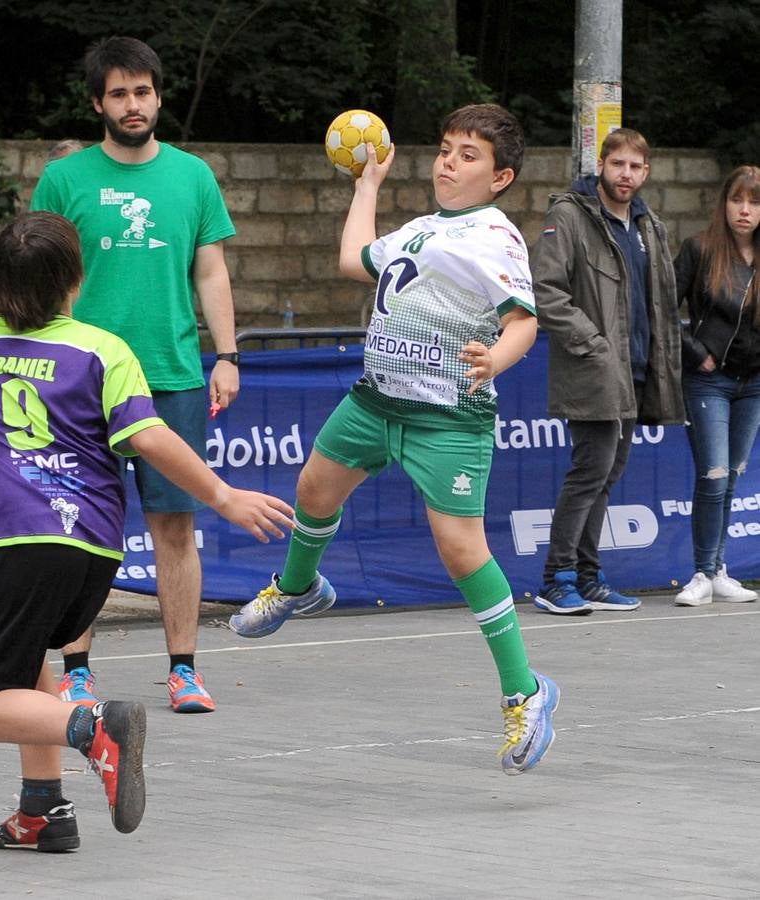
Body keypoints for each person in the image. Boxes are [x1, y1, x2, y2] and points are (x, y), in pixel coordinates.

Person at [229, 104, 561, 775]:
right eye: (444, 148)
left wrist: (497, 358)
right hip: (378, 399)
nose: (448, 161)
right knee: (313, 489)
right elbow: (355, 260)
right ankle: (298, 587)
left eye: (468, 154)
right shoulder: (420, 229)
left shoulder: (494, 237)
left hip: (448, 415)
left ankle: (526, 691)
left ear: (500, 178)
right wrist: (367, 187)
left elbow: (523, 320)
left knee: (461, 551)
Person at [0, 211, 293, 851]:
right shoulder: (104, 351)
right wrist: (222, 496)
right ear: (76, 281)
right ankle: (43, 813)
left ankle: (93, 728)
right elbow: (148, 438)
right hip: (93, 547)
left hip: (24, 540)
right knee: (30, 668)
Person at [30, 36, 240, 713]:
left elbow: (209, 271)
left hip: (172, 376)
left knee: (175, 526)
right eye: (118, 93)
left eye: (142, 91)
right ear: (98, 102)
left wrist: (227, 355)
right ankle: (78, 670)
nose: (132, 103)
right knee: (82, 530)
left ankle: (183, 670)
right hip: (81, 381)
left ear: (158, 95)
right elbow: (41, 275)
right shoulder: (64, 179)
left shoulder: (193, 176)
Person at [531, 128, 684, 615]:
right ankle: (558, 580)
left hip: (637, 371)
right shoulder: (570, 216)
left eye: (636, 166)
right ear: (602, 164)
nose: (626, 174)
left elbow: (658, 301)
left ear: (647, 171)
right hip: (593, 370)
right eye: (618, 164)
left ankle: (589, 576)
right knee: (590, 471)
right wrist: (593, 345)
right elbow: (546, 292)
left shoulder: (649, 226)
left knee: (607, 474)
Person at [673, 165, 760, 606]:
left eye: (754, 202)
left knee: (732, 479)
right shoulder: (700, 249)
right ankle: (702, 574)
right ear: (724, 203)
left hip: (754, 384)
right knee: (713, 475)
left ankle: (720, 569)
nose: (744, 210)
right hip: (709, 382)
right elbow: (663, 311)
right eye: (737, 200)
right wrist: (696, 352)